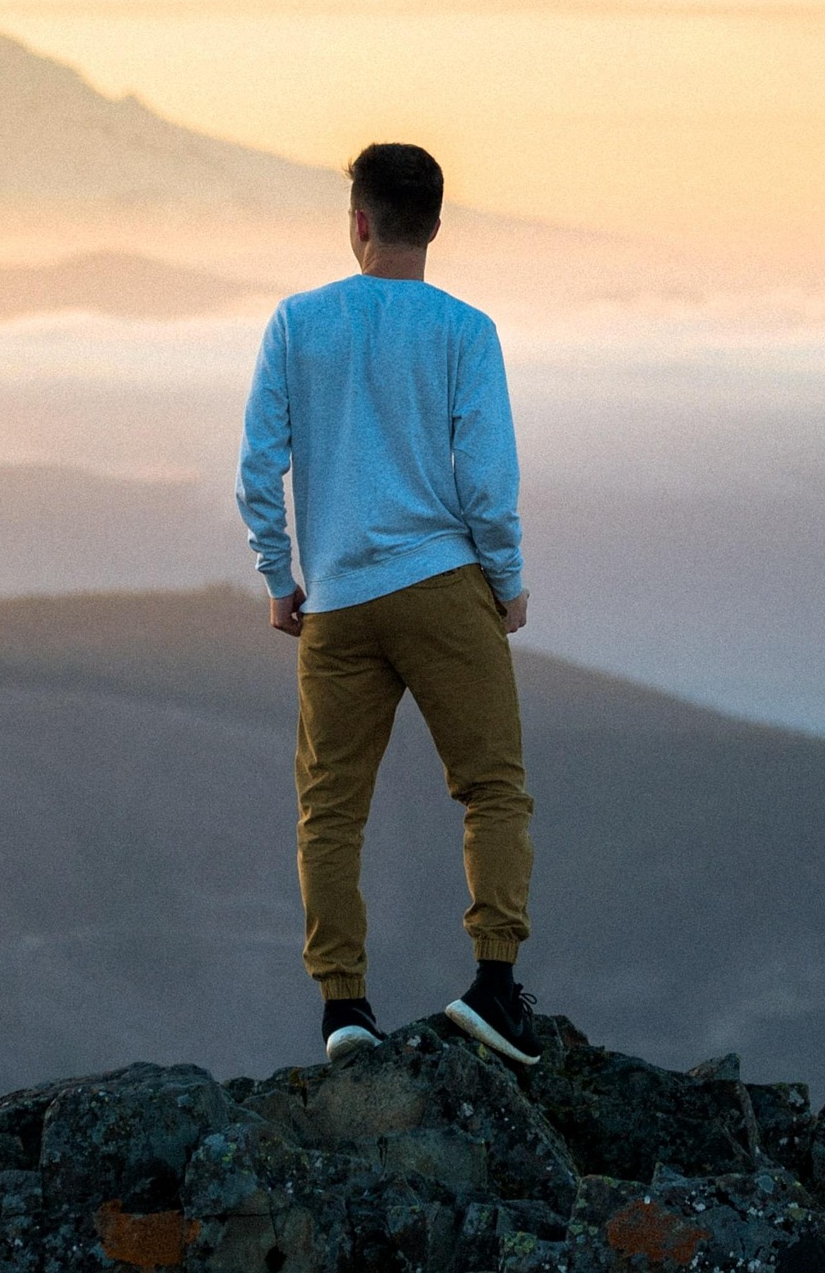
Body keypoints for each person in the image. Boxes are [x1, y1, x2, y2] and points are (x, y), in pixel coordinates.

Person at [236, 142, 539, 1065]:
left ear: (358, 221)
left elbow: (258, 469)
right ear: (436, 225)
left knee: (330, 812)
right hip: (442, 586)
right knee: (492, 788)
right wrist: (508, 582)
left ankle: (343, 1009)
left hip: (336, 600)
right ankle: (492, 984)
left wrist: (281, 577)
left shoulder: (298, 323)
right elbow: (485, 483)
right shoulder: (464, 330)